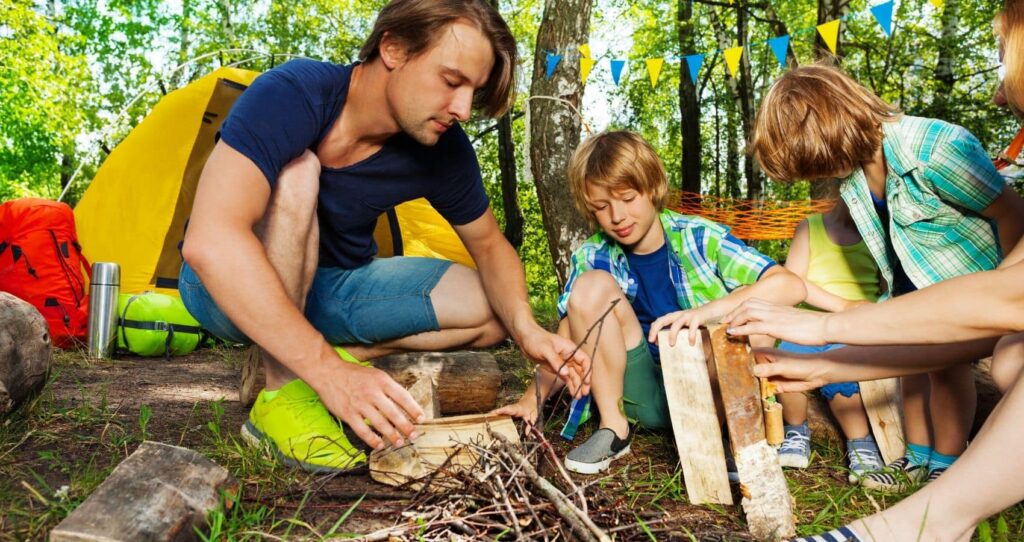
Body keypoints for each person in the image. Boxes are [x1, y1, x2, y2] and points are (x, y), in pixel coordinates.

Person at [180, 0, 590, 473]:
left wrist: (528, 330)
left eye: (472, 93)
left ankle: (320, 351)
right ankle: (283, 389)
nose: (461, 108)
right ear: (393, 47)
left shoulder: (444, 148)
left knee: (495, 308)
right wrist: (329, 376)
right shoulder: (293, 92)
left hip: (333, 286)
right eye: (451, 81)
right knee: (299, 172)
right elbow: (213, 241)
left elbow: (491, 246)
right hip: (226, 286)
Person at [719, 6, 1024, 539]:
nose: (998, 95)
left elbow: (1008, 216)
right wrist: (825, 366)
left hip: (977, 287)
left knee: (973, 369)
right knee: (930, 372)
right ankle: (923, 464)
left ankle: (944, 473)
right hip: (924, 297)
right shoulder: (858, 185)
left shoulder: (936, 148)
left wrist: (823, 333)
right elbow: (902, 269)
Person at [496, 131, 805, 474]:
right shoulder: (593, 254)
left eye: (628, 198)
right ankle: (614, 430)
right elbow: (569, 338)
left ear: (653, 187)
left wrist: (702, 314)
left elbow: (789, 286)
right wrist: (530, 401)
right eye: (602, 206)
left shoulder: (701, 236)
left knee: (747, 327)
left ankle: (726, 437)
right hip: (637, 393)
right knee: (588, 287)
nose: (617, 216)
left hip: (707, 387)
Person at [772, 201, 884, 483]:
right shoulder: (811, 228)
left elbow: (885, 288)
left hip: (855, 330)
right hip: (807, 326)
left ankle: (861, 443)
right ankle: (796, 431)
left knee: (843, 373)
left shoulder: (880, 234)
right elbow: (792, 282)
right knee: (785, 360)